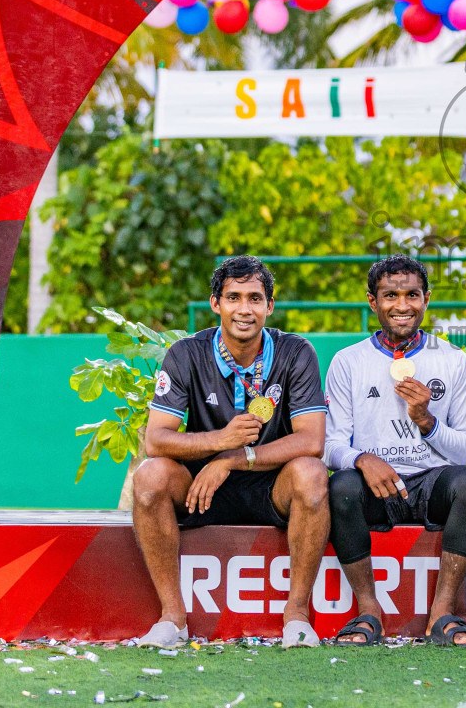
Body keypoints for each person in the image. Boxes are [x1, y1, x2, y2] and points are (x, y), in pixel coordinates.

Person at [130, 255, 330, 649]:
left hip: (271, 484)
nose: (244, 309)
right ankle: (173, 619)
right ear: (215, 304)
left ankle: (297, 617)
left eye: (255, 298)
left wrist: (234, 459)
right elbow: (156, 440)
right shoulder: (187, 353)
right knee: (150, 475)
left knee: (311, 473)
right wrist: (220, 441)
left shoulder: (296, 352)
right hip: (198, 488)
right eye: (233, 297)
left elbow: (312, 441)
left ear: (269, 306)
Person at [323, 255, 466, 646]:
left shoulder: (452, 359)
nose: (402, 305)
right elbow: (330, 445)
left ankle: (442, 614)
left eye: (412, 294)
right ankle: (368, 611)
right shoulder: (349, 362)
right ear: (372, 301)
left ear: (426, 300)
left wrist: (427, 421)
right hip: (376, 487)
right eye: (390, 295)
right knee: (342, 487)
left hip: (432, 484)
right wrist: (363, 460)